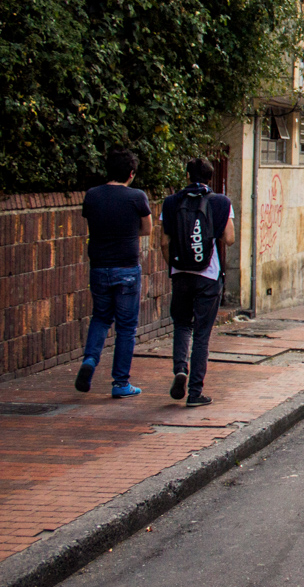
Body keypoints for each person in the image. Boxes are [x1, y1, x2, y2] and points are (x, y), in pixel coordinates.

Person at [158, 158, 235, 407]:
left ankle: (180, 368)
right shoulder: (221, 202)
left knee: (181, 325)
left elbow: (162, 242)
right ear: (210, 178)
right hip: (208, 277)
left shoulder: (171, 202)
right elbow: (230, 238)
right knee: (202, 335)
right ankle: (195, 392)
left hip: (180, 274)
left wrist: (175, 267)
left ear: (188, 175)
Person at [77, 148, 153, 397]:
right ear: (131, 173)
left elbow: (92, 222)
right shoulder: (137, 197)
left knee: (100, 317)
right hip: (127, 268)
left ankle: (89, 360)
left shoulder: (93, 196)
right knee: (127, 327)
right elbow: (147, 229)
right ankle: (120, 383)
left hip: (99, 267)